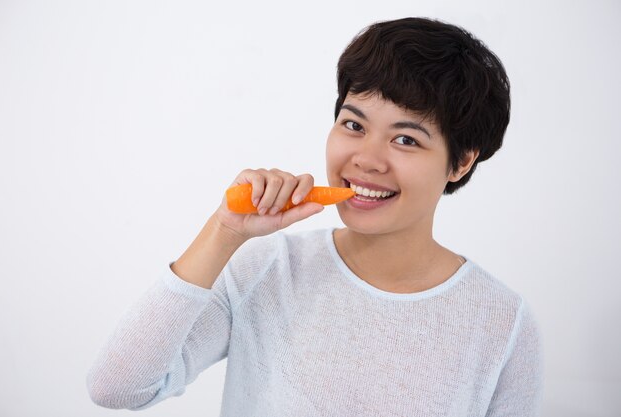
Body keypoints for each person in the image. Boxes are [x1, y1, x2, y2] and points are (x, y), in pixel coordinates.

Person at [87, 17, 543, 416]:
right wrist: (224, 231)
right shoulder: (266, 269)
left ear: (461, 161)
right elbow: (118, 388)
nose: (367, 159)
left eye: (405, 139)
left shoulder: (501, 321)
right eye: (354, 125)